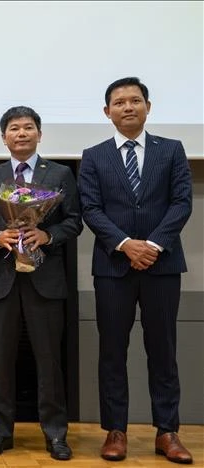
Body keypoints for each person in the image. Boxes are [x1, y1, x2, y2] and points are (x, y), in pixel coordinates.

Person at [78, 77, 193, 464]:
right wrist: (127, 245)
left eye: (135, 100)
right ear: (106, 111)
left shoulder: (172, 150)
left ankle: (167, 432)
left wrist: (153, 245)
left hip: (162, 266)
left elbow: (181, 203)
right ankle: (116, 431)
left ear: (148, 106)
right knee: (113, 351)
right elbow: (91, 209)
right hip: (113, 267)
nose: (128, 107)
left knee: (163, 351)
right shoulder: (93, 155)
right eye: (119, 102)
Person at [0, 106, 82, 460]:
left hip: (46, 280)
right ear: (3, 137)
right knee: (1, 359)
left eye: (29, 127)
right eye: (14, 129)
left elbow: (75, 222)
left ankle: (55, 434)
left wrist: (47, 235)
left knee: (49, 360)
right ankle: (1, 432)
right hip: (2, 280)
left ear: (40, 133)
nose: (22, 134)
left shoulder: (61, 174)